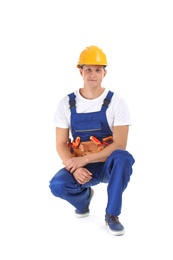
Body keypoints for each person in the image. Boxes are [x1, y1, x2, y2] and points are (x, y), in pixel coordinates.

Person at [49, 45, 135, 236]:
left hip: (108, 165)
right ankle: (84, 198)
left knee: (123, 157)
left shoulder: (116, 102)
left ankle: (112, 215)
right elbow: (61, 144)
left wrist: (84, 160)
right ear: (80, 71)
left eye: (98, 70)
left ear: (105, 72)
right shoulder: (67, 103)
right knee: (57, 185)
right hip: (82, 168)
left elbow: (120, 144)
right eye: (88, 69)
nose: (93, 74)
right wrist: (76, 167)